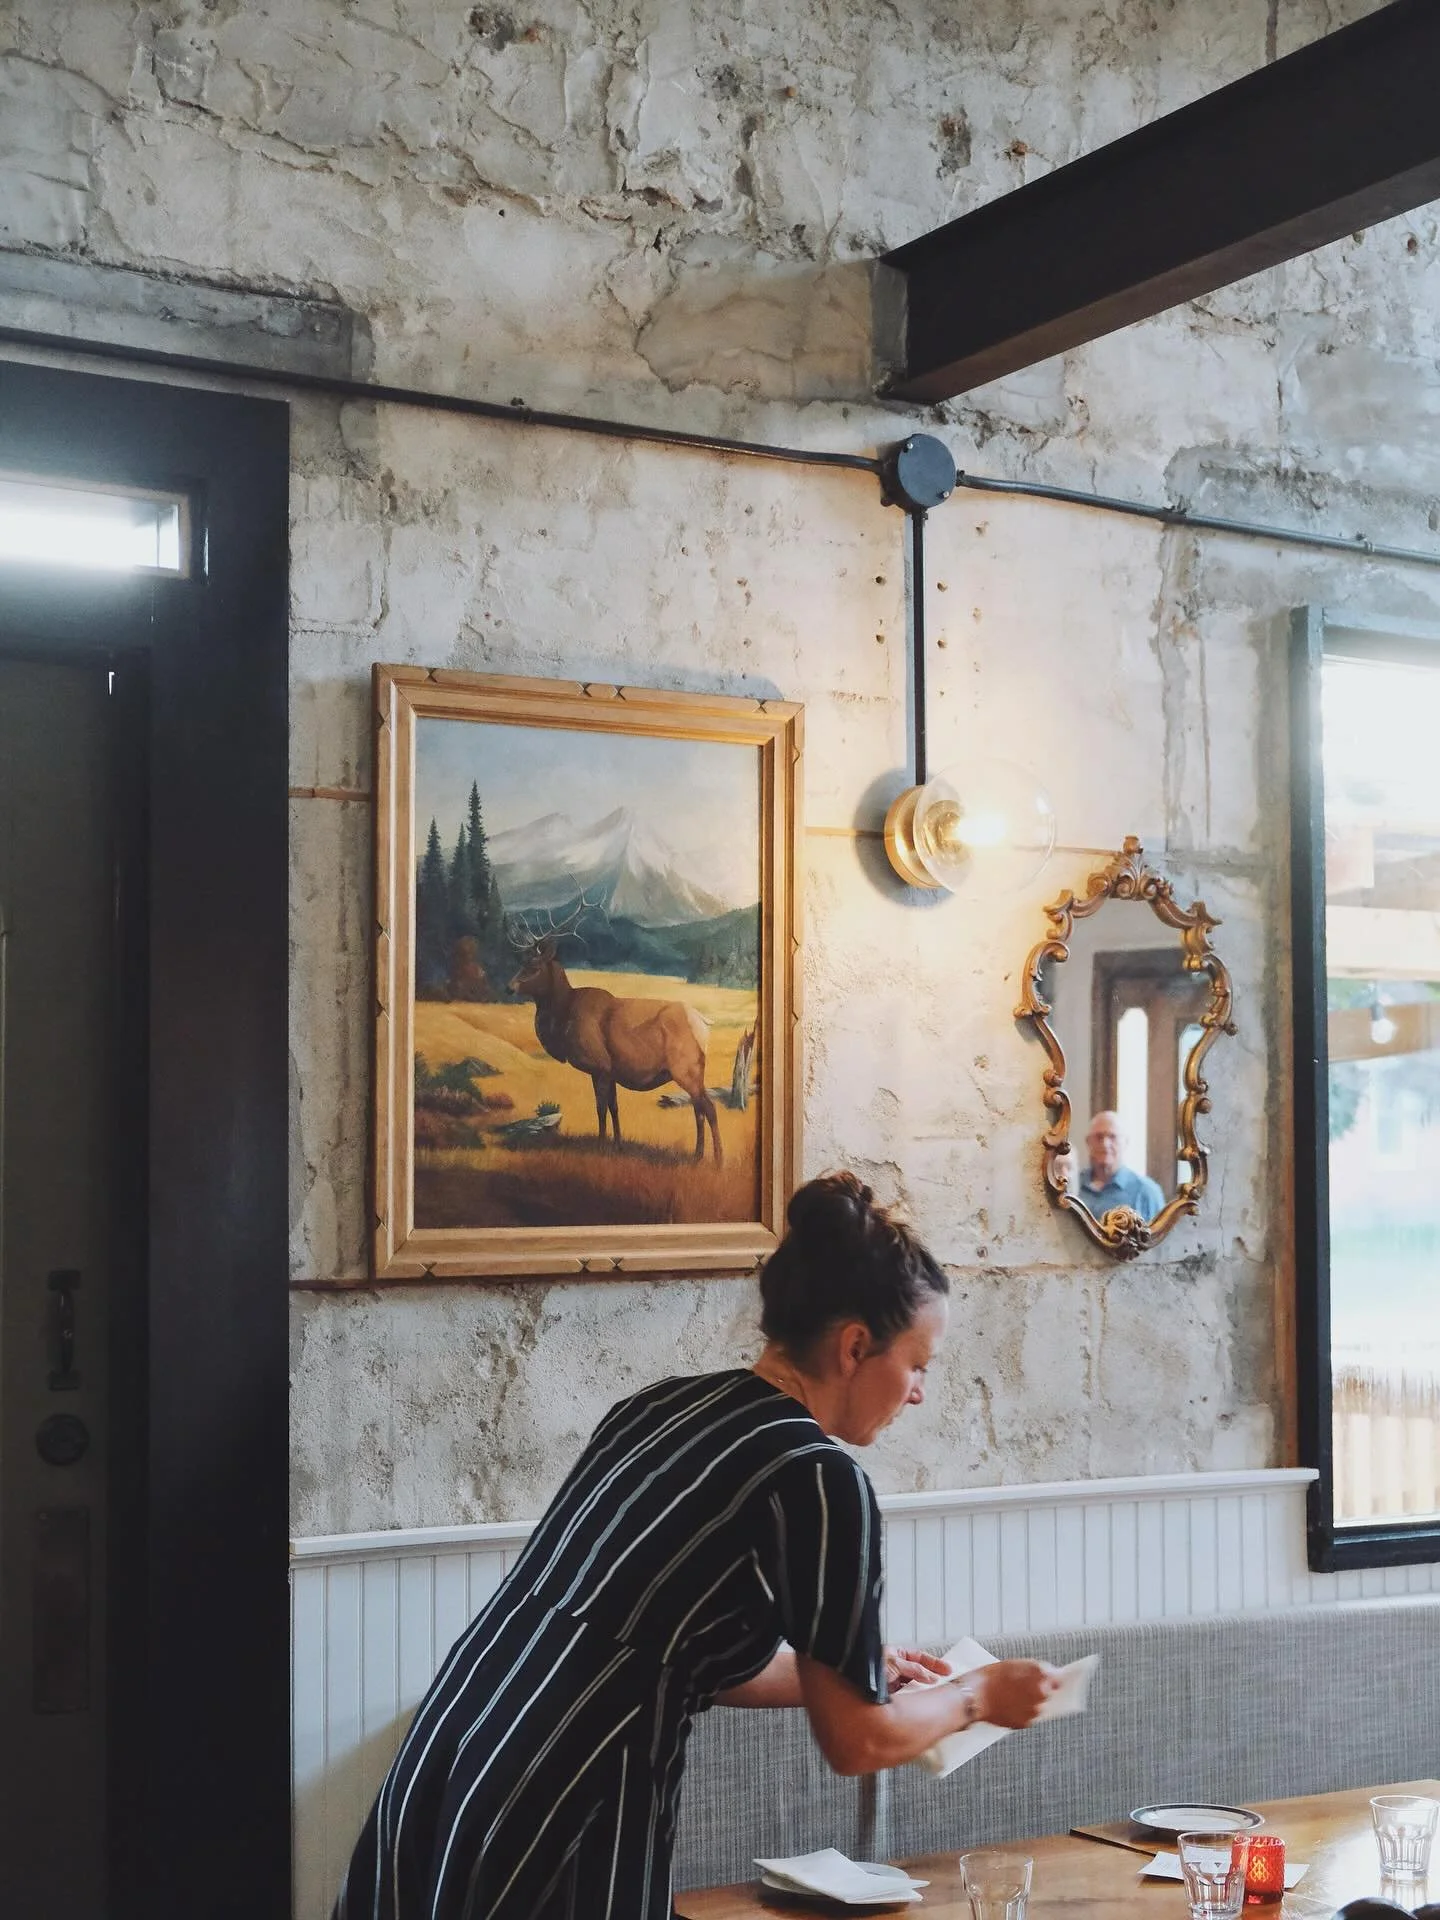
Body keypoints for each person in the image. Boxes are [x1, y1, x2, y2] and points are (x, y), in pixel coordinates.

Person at [333, 1172, 1058, 1920]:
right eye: (917, 1365)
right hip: (567, 1796)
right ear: (853, 1347)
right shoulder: (817, 1476)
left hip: (455, 1751)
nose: (917, 1393)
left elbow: (667, 1646)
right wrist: (978, 1696)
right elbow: (857, 1742)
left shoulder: (659, 1407)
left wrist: (846, 1672)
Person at [1077, 1110, 1164, 1218]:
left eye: (1112, 1137)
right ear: (1088, 1142)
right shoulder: (1073, 1185)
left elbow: (1161, 1234)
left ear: (1125, 1142)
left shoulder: (1146, 1192)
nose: (1105, 1144)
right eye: (1099, 1137)